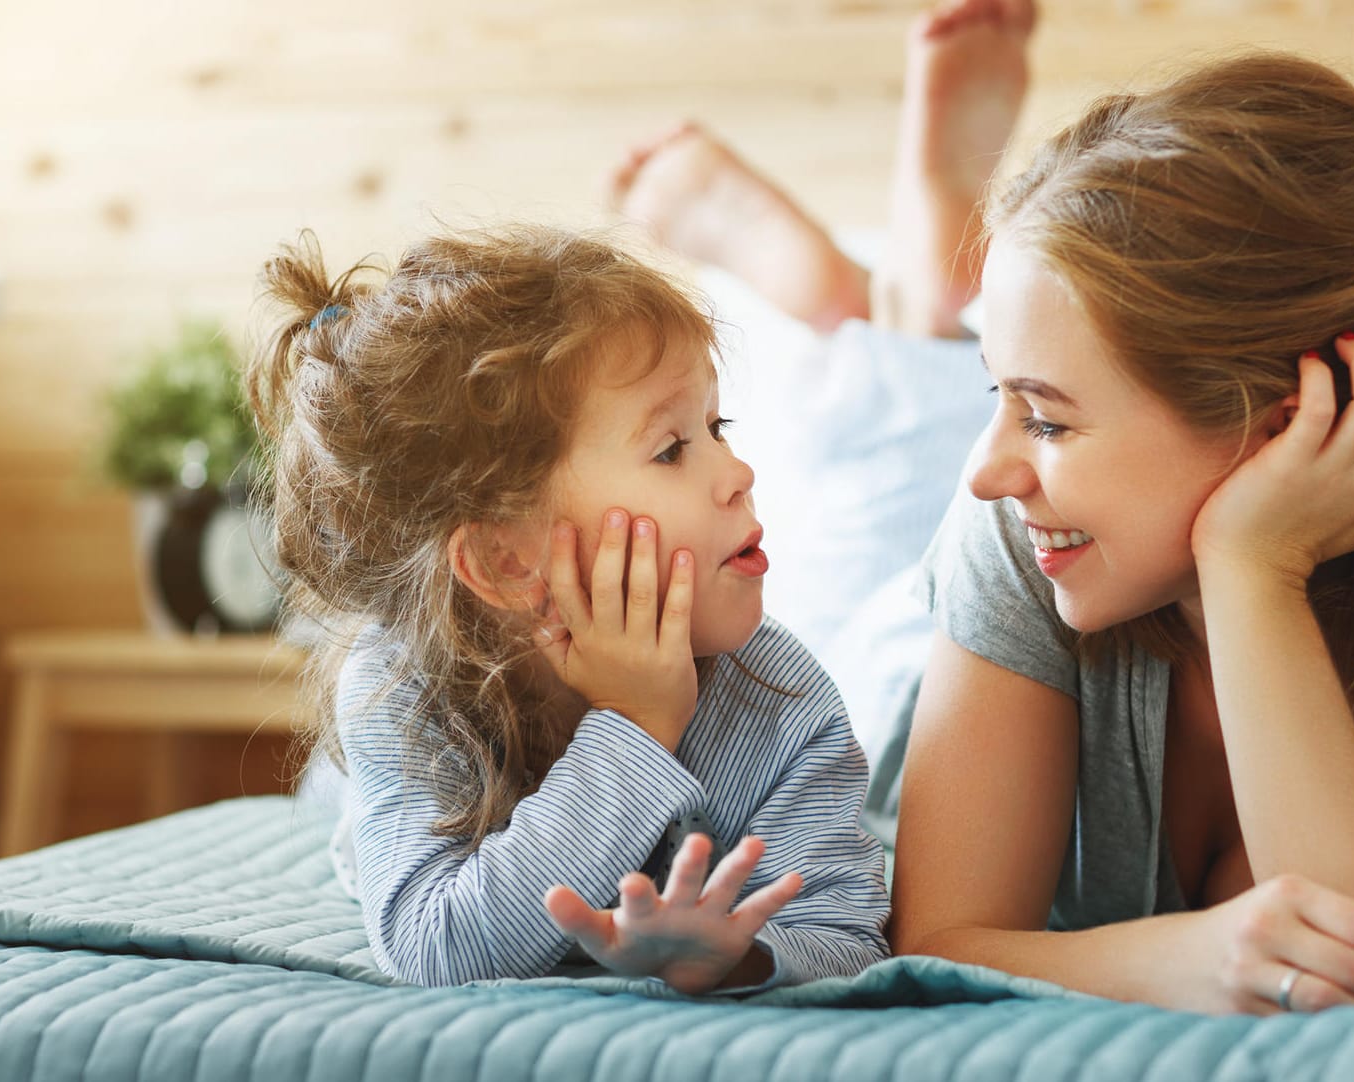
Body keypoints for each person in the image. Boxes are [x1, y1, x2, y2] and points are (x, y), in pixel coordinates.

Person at [610, 0, 1354, 1014]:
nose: (992, 470)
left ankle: (909, 307)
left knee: (897, 502)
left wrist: (1251, 569)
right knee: (894, 539)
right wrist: (1185, 960)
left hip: (1020, 578)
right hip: (901, 671)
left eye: (1048, 420)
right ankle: (907, 296)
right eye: (1003, 400)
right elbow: (936, 938)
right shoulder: (1011, 533)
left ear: (1291, 425)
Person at [247, 226, 890, 994]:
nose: (739, 473)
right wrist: (634, 727)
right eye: (670, 449)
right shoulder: (402, 688)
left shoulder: (780, 698)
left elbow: (848, 934)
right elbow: (436, 947)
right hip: (381, 780)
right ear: (505, 561)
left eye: (717, 429)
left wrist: (738, 954)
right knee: (346, 804)